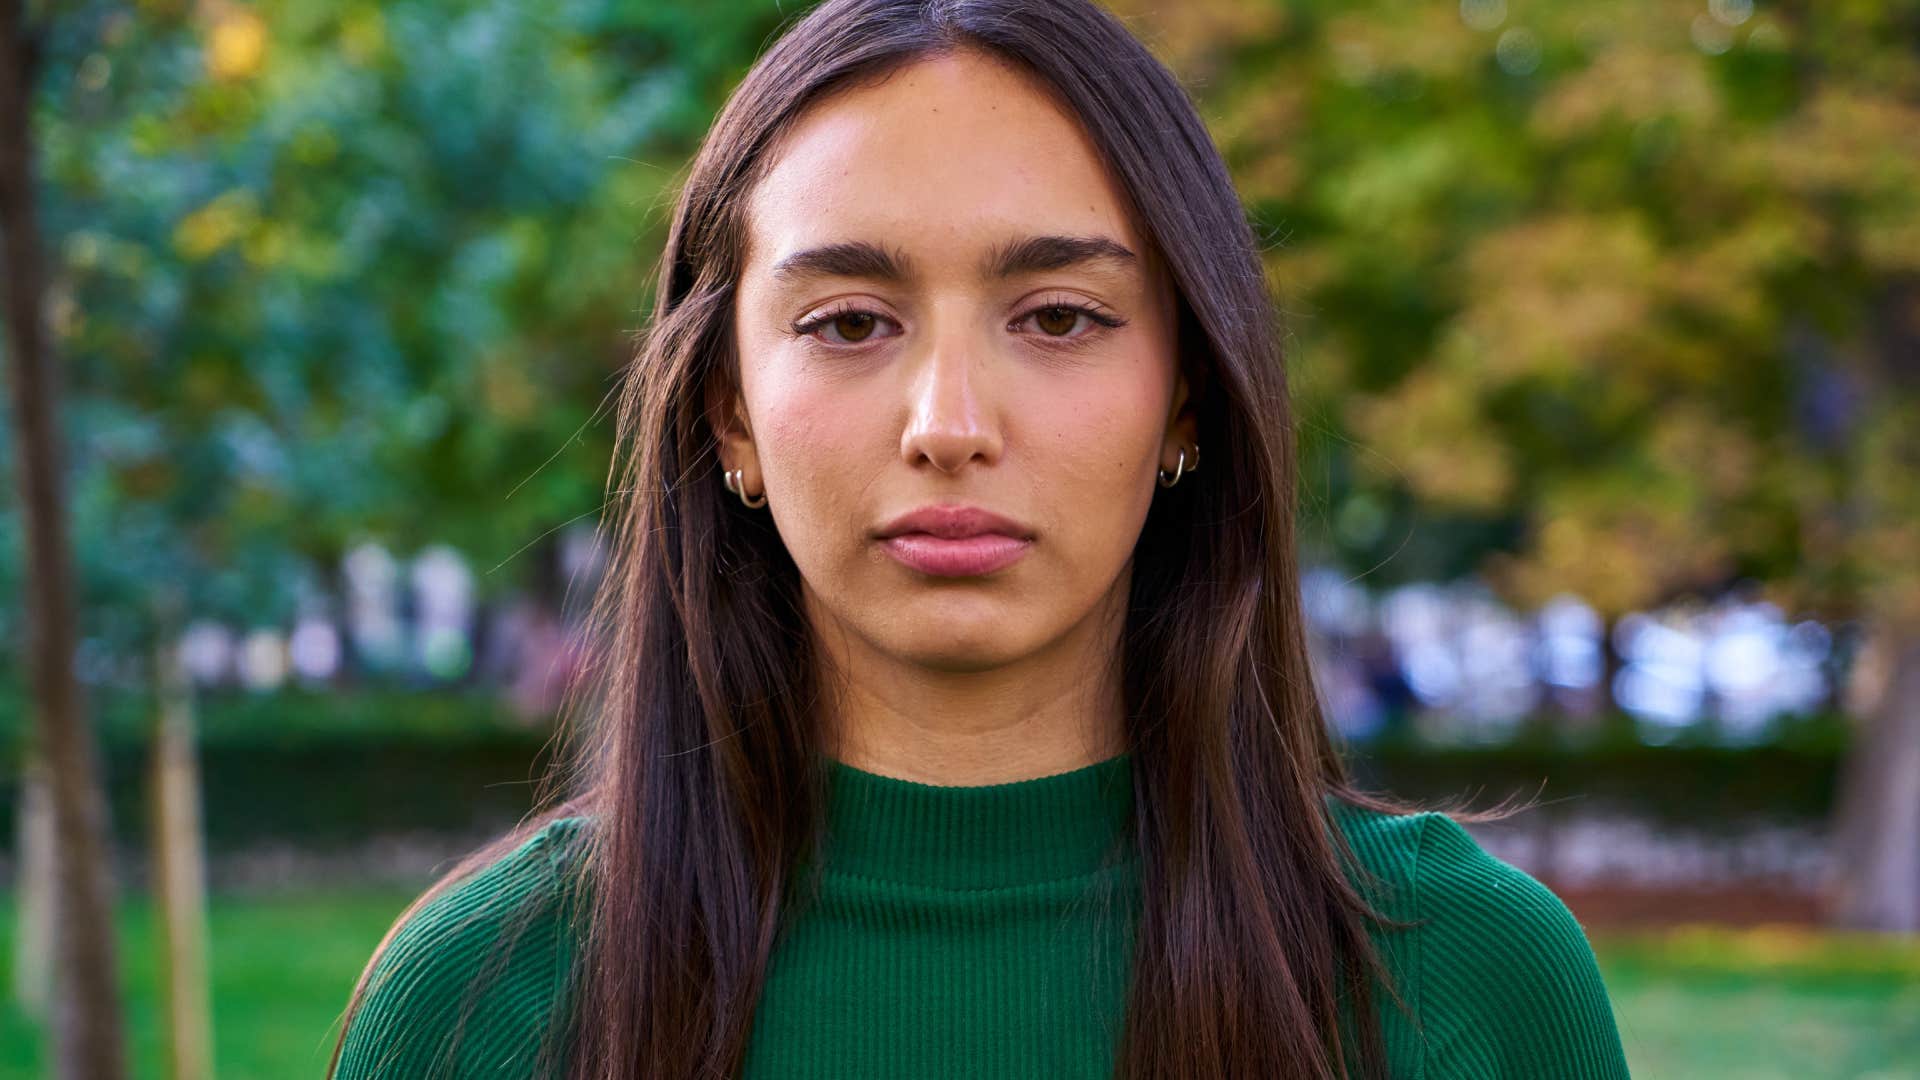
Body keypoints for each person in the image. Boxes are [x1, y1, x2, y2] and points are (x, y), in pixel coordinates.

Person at [329, 0, 1633, 1076]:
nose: (948, 425)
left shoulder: (1462, 982)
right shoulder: (483, 1003)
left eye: (1059, 317)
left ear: (1188, 394)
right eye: (849, 322)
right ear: (728, 412)